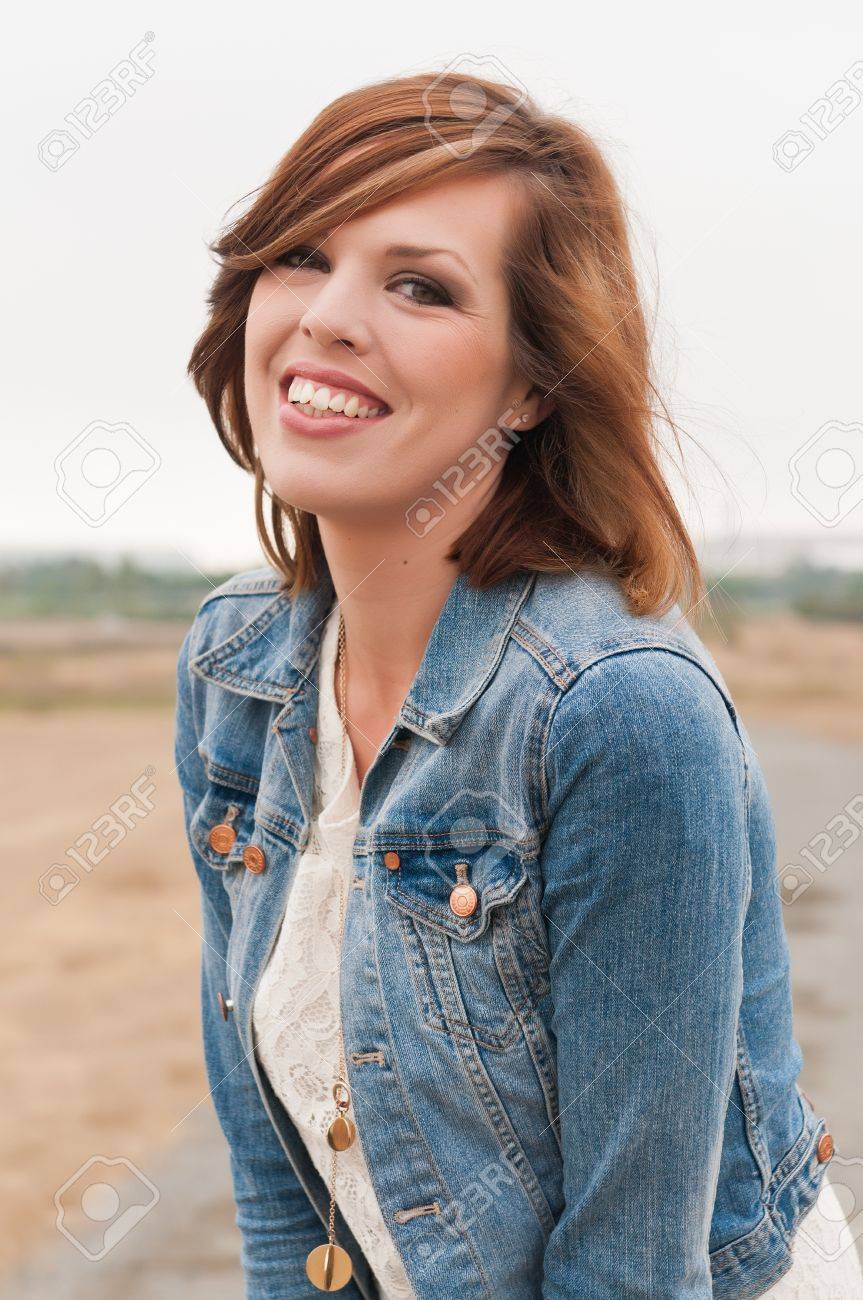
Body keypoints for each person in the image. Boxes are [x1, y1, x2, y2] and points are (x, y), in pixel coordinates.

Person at [174, 70, 863, 1297]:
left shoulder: (615, 710)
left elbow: (631, 1271)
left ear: (533, 383)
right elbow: (280, 1187)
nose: (328, 316)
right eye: (298, 255)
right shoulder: (236, 668)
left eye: (419, 285)